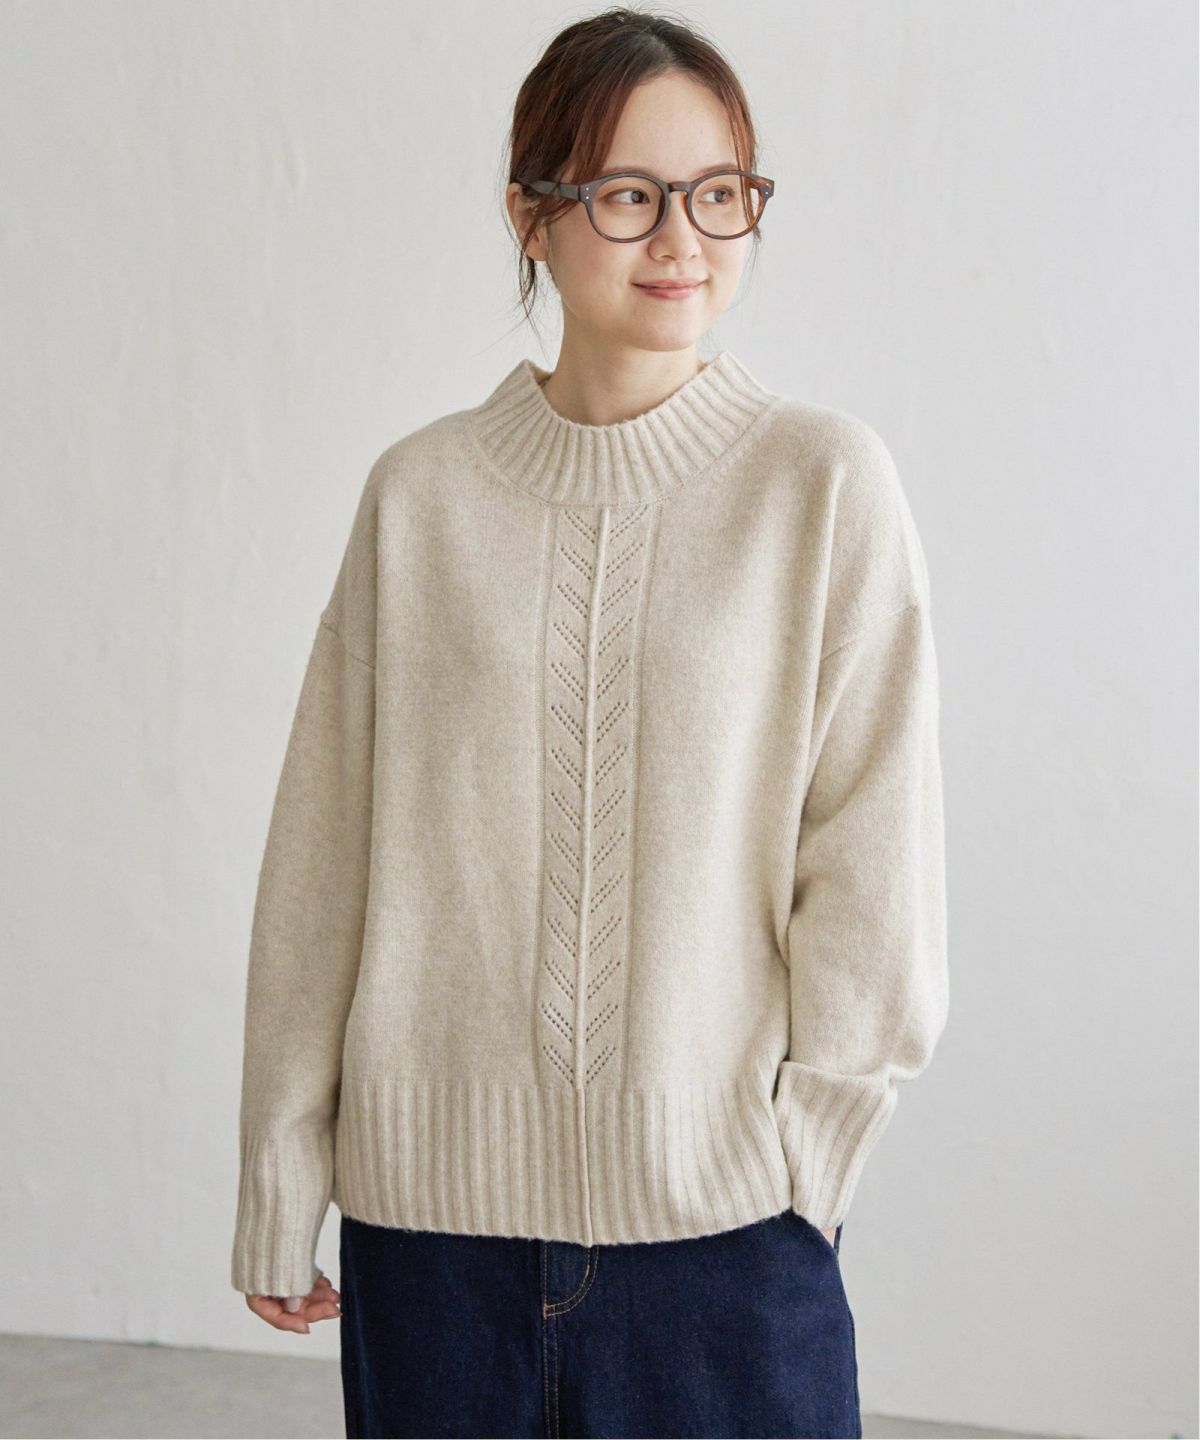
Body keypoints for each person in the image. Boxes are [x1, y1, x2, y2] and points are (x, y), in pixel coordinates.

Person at [230, 8, 948, 1438]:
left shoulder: (822, 487)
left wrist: (810, 1159)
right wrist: (280, 1166)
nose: (682, 238)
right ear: (532, 216)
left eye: (719, 192)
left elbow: (874, 859)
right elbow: (323, 858)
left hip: (725, 1244)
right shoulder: (421, 500)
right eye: (628, 194)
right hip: (433, 1251)